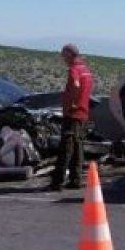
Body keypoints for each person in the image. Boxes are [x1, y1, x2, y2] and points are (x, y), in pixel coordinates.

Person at [48, 43, 94, 191]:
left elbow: (75, 85)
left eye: (63, 54)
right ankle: (76, 178)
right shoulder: (86, 70)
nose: (62, 58)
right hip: (82, 113)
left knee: (66, 147)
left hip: (73, 113)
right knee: (78, 145)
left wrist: (71, 103)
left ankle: (58, 181)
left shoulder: (74, 70)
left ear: (69, 54)